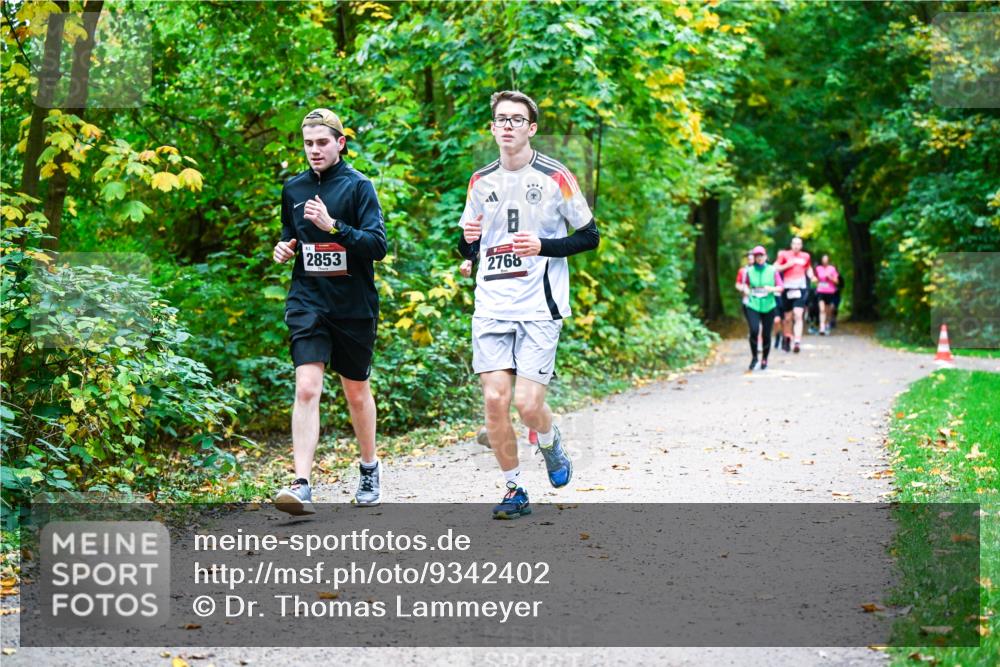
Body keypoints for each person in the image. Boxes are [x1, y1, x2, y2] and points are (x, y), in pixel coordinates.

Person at [458, 90, 600, 519]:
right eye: (500, 119)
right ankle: (514, 489)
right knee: (495, 401)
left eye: (516, 119)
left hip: (540, 307)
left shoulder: (556, 175)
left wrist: (542, 245)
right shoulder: (481, 181)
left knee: (527, 405)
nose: (507, 126)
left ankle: (550, 438)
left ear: (531, 128)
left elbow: (589, 236)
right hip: (491, 305)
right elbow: (469, 242)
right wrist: (467, 251)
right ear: (492, 128)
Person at [271, 108, 388, 515]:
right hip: (308, 300)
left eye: (322, 142)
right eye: (308, 143)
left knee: (356, 392)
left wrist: (334, 226)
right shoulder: (294, 188)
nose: (314, 150)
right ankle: (302, 484)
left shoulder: (359, 188)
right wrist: (284, 248)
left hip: (353, 305)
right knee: (306, 387)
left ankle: (369, 468)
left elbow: (377, 246)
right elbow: (291, 238)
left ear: (340, 143)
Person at [741, 245, 783, 370]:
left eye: (761, 256)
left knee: (766, 334)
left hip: (769, 305)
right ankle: (754, 358)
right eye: (756, 256)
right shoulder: (748, 271)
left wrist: (772, 289)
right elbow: (745, 285)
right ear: (754, 258)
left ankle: (765, 358)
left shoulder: (772, 270)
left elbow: (781, 287)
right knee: (754, 330)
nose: (759, 258)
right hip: (753, 304)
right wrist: (747, 291)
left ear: (766, 256)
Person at [774, 236, 815, 354]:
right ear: (791, 245)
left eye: (799, 244)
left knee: (798, 315)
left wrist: (811, 275)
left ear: (801, 246)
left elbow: (808, 268)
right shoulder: (784, 254)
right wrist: (787, 265)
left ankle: (797, 342)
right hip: (787, 288)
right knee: (787, 318)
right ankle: (787, 338)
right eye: (794, 244)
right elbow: (775, 267)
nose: (796, 246)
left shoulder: (806, 256)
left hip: (800, 288)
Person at [815, 254, 840, 335]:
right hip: (820, 291)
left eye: (826, 259)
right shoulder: (818, 268)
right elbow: (816, 278)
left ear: (828, 260)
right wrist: (816, 282)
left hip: (830, 292)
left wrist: (830, 278)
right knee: (822, 309)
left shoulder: (832, 269)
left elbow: (837, 282)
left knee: (828, 311)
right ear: (822, 260)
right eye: (823, 259)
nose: (825, 261)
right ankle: (822, 327)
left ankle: (826, 324)